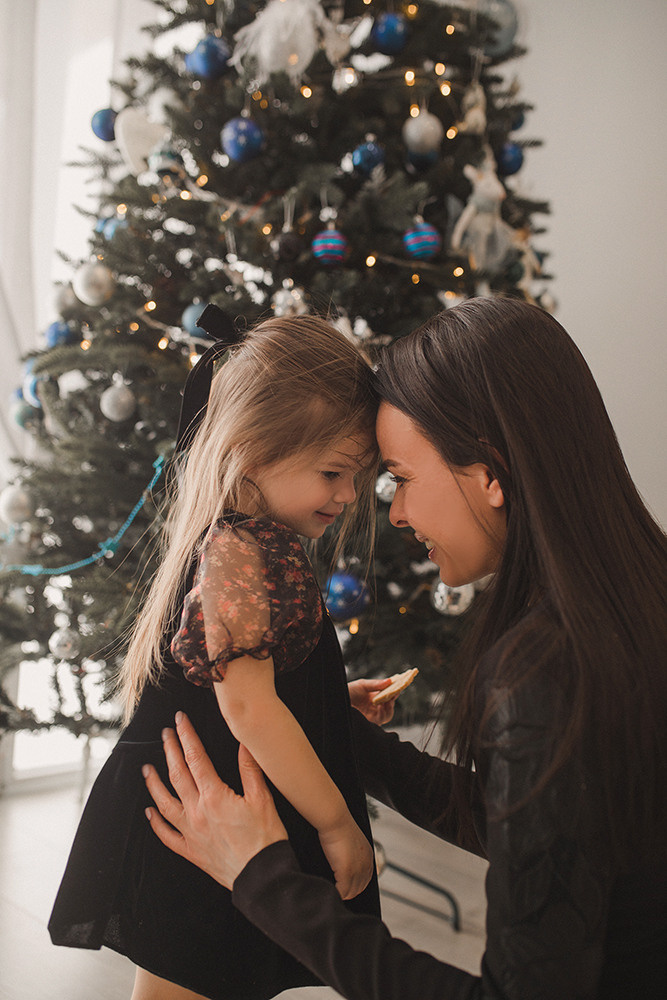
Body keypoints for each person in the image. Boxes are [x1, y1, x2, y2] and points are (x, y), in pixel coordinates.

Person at [142, 296, 667, 1000]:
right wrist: (332, 730)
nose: (391, 512)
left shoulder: (544, 671)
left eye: (402, 479)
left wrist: (262, 878)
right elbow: (556, 831)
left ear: (490, 473)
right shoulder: (636, 598)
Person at [48, 307, 386, 1000]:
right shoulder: (239, 552)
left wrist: (325, 699)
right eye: (334, 473)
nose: (349, 495)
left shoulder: (257, 540)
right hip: (200, 827)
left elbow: (257, 686)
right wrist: (339, 825)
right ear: (253, 451)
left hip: (225, 808)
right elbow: (250, 710)